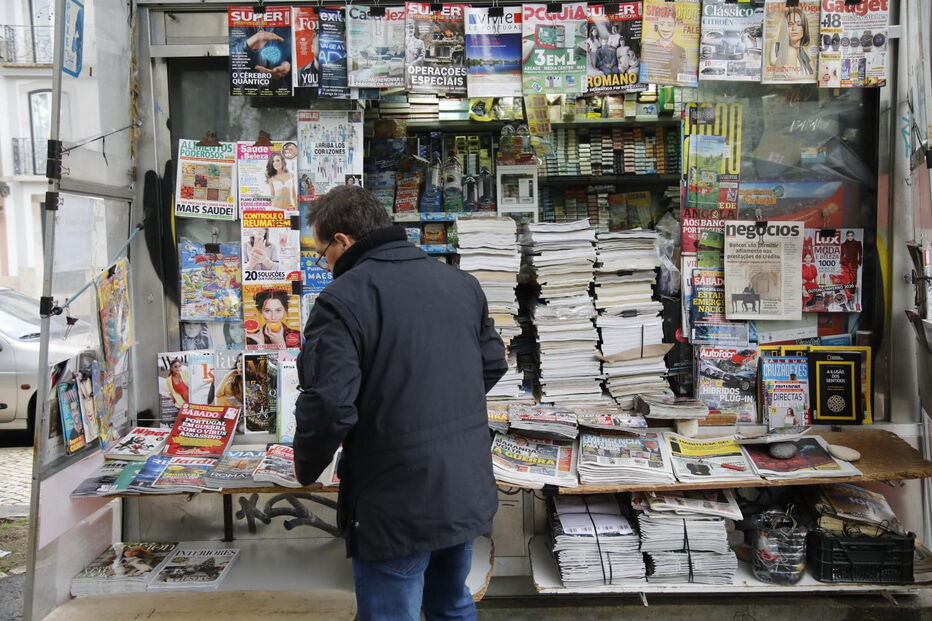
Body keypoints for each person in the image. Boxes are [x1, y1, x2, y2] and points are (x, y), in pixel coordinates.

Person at [292, 185, 507, 620]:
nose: (325, 264)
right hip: (460, 485)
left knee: (392, 612)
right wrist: (433, 403)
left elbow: (330, 404)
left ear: (343, 241)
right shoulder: (459, 283)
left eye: (322, 254)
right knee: (451, 603)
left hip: (394, 499)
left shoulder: (342, 299)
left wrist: (305, 467)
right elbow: (491, 363)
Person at [767, 6, 814, 80]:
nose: (794, 28)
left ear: (805, 28)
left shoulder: (805, 52)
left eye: (799, 24)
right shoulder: (789, 52)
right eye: (790, 24)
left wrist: (798, 77)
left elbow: (814, 75)